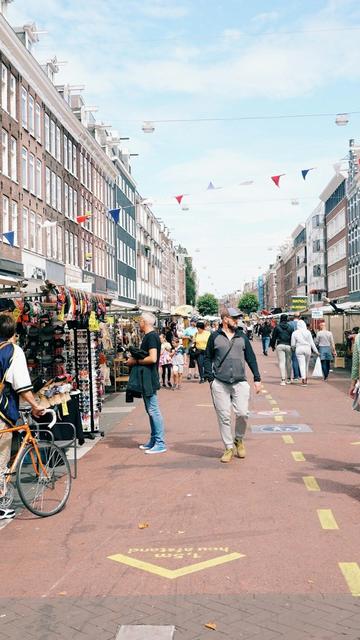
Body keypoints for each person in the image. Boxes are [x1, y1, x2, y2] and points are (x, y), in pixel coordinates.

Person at [0, 315, 45, 520]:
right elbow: (22, 386)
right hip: (2, 411)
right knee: (1, 459)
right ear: (13, 333)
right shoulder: (13, 352)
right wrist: (35, 406)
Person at [204, 307, 261, 463]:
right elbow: (207, 357)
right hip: (220, 382)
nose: (237, 320)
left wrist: (257, 378)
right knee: (224, 417)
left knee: (243, 413)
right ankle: (228, 447)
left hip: (240, 381)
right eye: (234, 318)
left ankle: (239, 439)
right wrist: (210, 378)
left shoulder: (242, 336)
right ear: (225, 319)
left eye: (238, 318)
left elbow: (251, 358)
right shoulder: (214, 337)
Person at [127, 312, 166, 454]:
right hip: (147, 377)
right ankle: (154, 439)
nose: (139, 323)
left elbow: (153, 358)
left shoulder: (151, 337)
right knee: (150, 410)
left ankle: (160, 442)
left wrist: (134, 361)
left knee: (153, 410)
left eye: (140, 321)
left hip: (149, 377)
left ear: (145, 322)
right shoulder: (150, 336)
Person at [291, 319, 319, 386]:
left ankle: (303, 378)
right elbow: (312, 343)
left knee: (301, 364)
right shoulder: (308, 332)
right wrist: (316, 351)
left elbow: (292, 344)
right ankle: (305, 377)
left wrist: (293, 348)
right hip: (307, 348)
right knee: (306, 364)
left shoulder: (295, 333)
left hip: (299, 348)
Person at [270, 314, 293, 385]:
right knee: (289, 362)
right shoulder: (291, 327)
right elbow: (293, 337)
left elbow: (273, 337)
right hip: (289, 345)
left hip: (280, 345)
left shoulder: (277, 327)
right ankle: (289, 379)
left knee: (281, 362)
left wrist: (272, 346)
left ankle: (283, 380)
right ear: (287, 319)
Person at [288, 312, 301, 382]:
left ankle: (296, 375)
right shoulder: (302, 323)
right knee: (301, 360)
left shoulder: (289, 324)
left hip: (292, 343)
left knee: (294, 360)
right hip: (301, 344)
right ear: (300, 317)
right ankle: (301, 374)